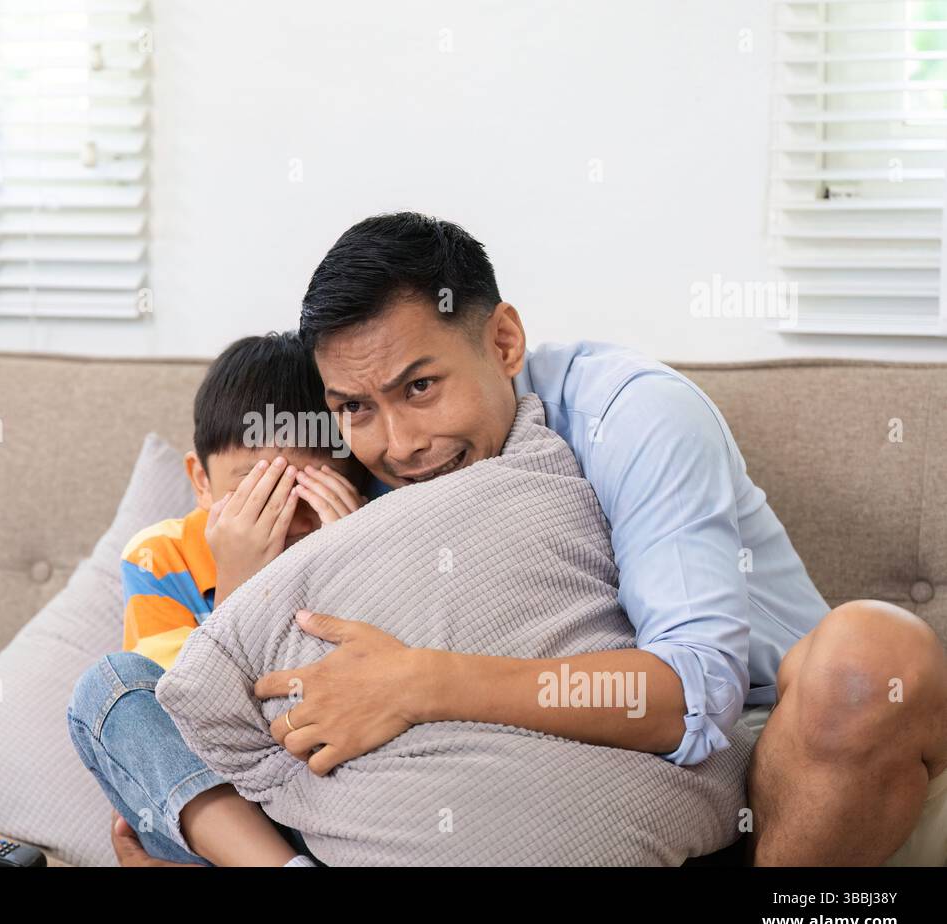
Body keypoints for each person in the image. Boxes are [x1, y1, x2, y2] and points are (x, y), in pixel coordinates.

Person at [112, 212, 947, 867]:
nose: (397, 442)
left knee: (876, 654)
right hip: (516, 771)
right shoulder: (374, 476)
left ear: (504, 343)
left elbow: (697, 697)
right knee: (115, 699)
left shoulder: (632, 415)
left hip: (767, 748)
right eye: (356, 407)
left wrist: (424, 683)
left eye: (422, 386)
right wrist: (253, 585)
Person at [67, 332, 366, 866]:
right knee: (109, 688)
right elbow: (189, 719)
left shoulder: (368, 539)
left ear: (355, 484)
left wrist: (350, 565)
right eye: (255, 491)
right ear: (201, 483)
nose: (281, 520)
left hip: (330, 805)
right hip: (216, 803)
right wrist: (238, 586)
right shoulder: (163, 556)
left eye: (307, 490)